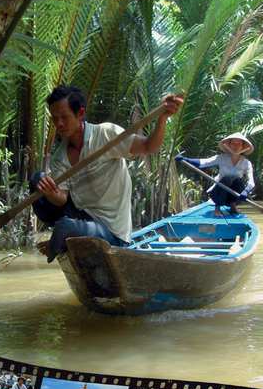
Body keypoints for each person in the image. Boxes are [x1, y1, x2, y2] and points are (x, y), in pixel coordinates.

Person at [30, 85, 183, 262]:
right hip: (81, 216)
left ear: (80, 114)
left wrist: (162, 118)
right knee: (37, 179)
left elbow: (149, 146)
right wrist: (51, 193)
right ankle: (61, 235)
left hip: (111, 230)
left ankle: (55, 246)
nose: (59, 124)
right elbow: (62, 199)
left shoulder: (106, 134)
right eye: (55, 119)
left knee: (65, 226)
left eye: (64, 117)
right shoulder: (60, 156)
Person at [175, 132, 255, 216]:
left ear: (243, 146)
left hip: (234, 193)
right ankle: (217, 208)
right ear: (229, 145)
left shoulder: (246, 163)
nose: (236, 146)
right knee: (227, 179)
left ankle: (233, 206)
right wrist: (185, 159)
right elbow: (203, 162)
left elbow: (251, 182)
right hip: (219, 192)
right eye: (233, 143)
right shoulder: (221, 158)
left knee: (237, 181)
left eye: (239, 144)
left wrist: (245, 191)